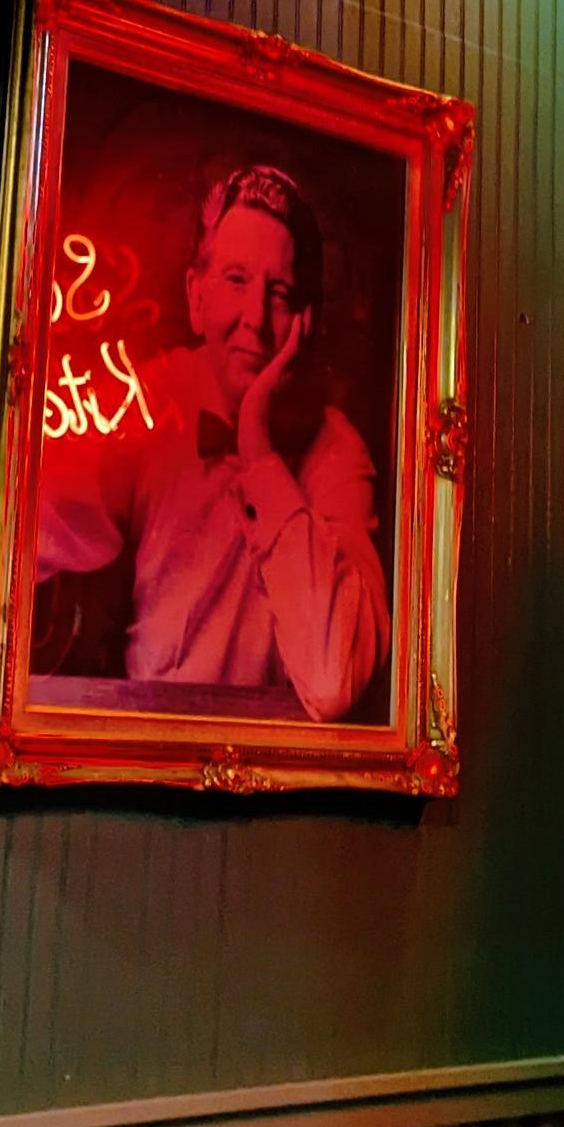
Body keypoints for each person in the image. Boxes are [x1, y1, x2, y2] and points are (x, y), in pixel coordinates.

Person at [33, 164, 387, 720]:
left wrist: (257, 448)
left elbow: (334, 680)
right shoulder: (150, 397)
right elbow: (29, 526)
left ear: (305, 322)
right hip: (145, 761)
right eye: (236, 280)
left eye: (279, 293)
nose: (254, 319)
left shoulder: (337, 451)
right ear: (196, 299)